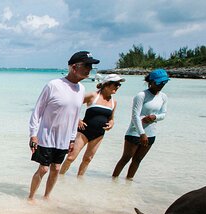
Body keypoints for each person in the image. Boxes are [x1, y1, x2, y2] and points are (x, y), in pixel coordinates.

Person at [28, 51, 100, 200]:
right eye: (86, 65)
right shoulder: (53, 85)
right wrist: (33, 135)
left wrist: (72, 139)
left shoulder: (81, 89)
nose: (89, 69)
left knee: (56, 168)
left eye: (91, 66)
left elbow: (75, 117)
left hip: (64, 138)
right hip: (46, 136)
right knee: (43, 169)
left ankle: (47, 197)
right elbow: (37, 111)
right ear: (74, 67)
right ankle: (31, 197)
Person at [60, 73, 124, 176]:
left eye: (119, 85)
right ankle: (60, 177)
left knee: (87, 159)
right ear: (107, 84)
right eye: (116, 84)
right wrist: (77, 119)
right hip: (84, 132)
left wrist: (111, 123)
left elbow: (111, 118)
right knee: (71, 157)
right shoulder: (93, 96)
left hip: (99, 134)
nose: (118, 87)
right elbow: (73, 105)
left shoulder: (113, 102)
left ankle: (79, 182)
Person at [112, 69, 169, 180]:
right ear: (151, 82)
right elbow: (135, 116)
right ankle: (113, 181)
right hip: (135, 133)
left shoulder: (163, 97)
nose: (161, 85)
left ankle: (128, 182)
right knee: (126, 158)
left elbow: (163, 114)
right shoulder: (141, 95)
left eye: (164, 82)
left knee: (137, 160)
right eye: (159, 82)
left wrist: (155, 117)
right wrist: (142, 133)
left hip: (151, 134)